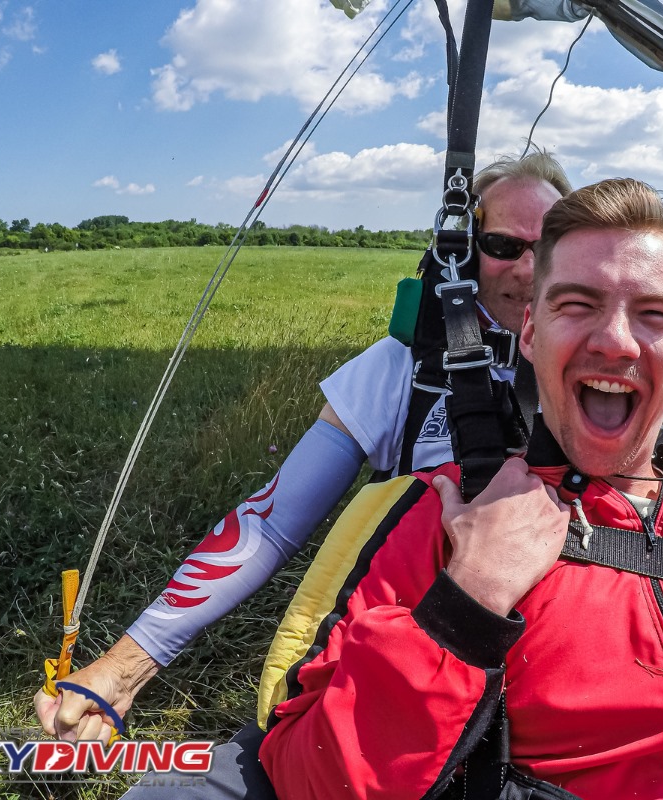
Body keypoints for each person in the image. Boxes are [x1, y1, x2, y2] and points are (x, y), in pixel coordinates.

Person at [257, 177, 663, 799]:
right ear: (529, 334)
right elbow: (313, 778)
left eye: (655, 314)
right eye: (577, 305)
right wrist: (466, 606)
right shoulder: (454, 517)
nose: (614, 341)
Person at [34, 151, 572, 745]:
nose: (527, 270)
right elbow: (270, 523)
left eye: (544, 248)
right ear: (466, 252)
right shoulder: (403, 367)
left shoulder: (595, 372)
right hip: (411, 663)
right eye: (502, 245)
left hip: (556, 668)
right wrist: (125, 667)